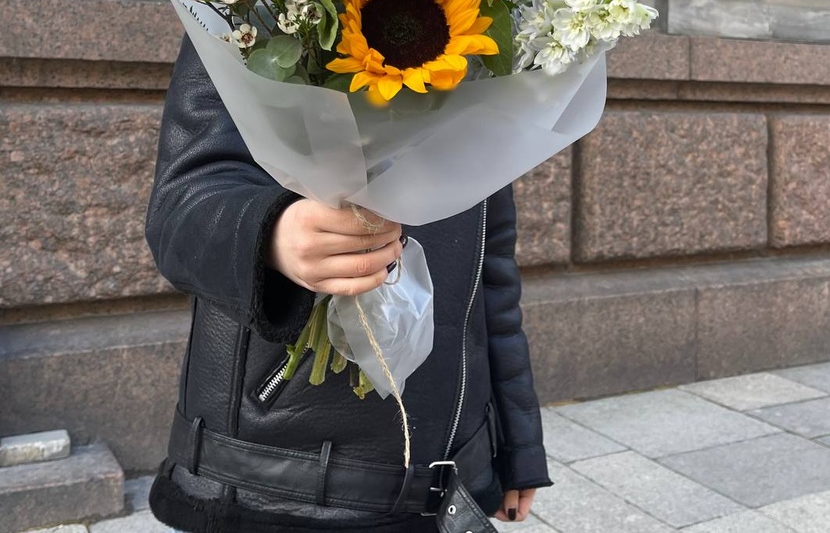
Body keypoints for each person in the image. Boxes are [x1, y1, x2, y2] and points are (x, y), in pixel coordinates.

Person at [145, 37, 552, 533]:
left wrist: (516, 445)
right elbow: (181, 203)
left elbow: (492, 273)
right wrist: (273, 234)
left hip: (446, 481)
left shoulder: (486, 33)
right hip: (279, 485)